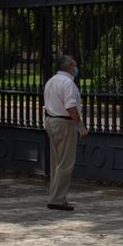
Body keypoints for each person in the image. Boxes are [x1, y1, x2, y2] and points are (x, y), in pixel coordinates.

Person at [43, 55, 87, 211]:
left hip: (51, 121)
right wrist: (80, 126)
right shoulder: (68, 83)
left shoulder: (51, 81)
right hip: (64, 123)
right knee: (66, 163)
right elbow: (71, 106)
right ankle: (57, 198)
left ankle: (56, 196)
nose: (76, 69)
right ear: (69, 67)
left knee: (56, 162)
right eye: (74, 66)